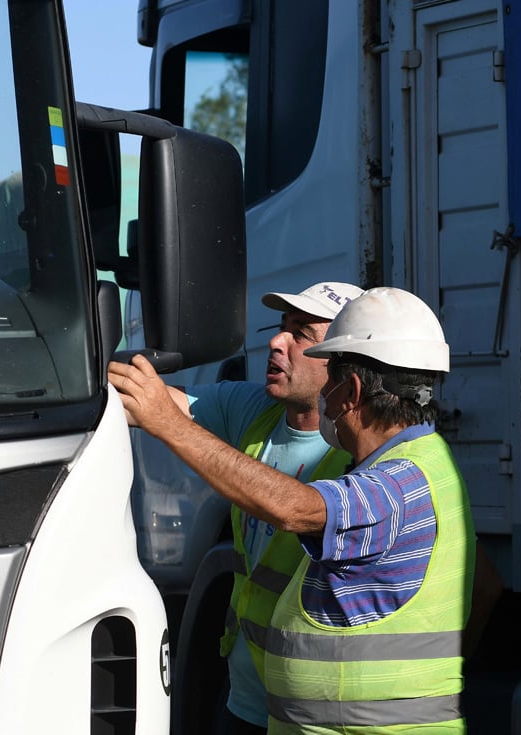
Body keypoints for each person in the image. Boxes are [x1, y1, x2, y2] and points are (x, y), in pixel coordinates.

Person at [110, 287, 478, 733]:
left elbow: (298, 509)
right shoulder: (418, 462)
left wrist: (169, 427)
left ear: (352, 389)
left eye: (333, 379)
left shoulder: (397, 484)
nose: (277, 343)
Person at [164, 280, 365, 734]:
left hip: (311, 717)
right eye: (281, 327)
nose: (276, 342)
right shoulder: (253, 410)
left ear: (342, 362)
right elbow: (155, 404)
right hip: (246, 701)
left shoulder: (363, 457)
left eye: (301, 334)